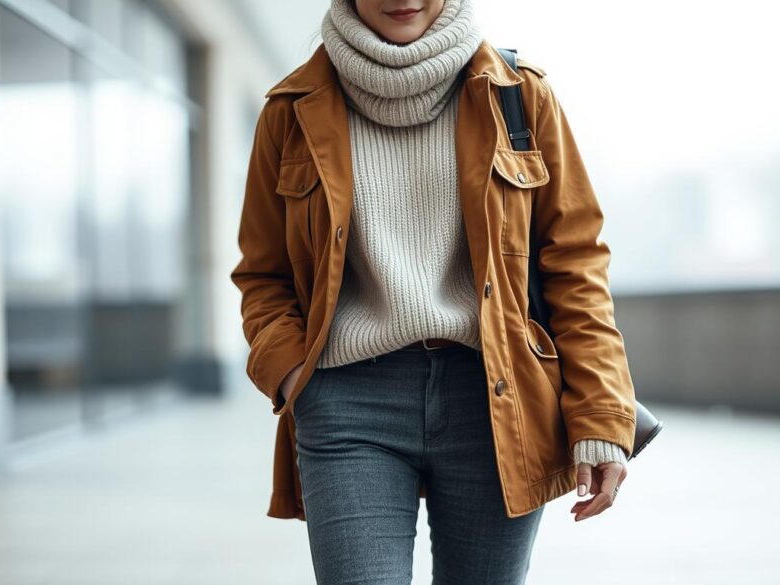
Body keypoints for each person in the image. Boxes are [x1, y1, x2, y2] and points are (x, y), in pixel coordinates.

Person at [230, 0, 637, 583]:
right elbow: (262, 275)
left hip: (496, 400)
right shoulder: (290, 109)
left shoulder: (519, 95)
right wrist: (299, 378)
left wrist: (600, 413)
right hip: (349, 403)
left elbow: (575, 263)